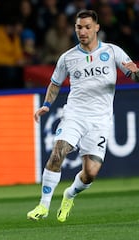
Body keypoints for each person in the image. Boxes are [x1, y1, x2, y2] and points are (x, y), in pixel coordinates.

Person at [27, 10, 139, 222]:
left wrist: (136, 71)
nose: (83, 31)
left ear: (97, 28)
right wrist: (46, 105)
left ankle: (69, 195)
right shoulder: (68, 58)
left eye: (87, 27)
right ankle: (43, 206)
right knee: (58, 153)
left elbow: (133, 75)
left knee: (90, 173)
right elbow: (55, 83)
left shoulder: (112, 51)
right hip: (75, 115)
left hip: (100, 121)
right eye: (79, 27)